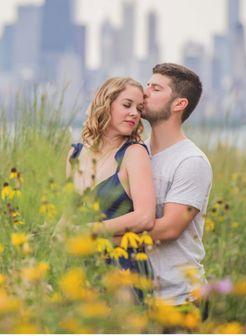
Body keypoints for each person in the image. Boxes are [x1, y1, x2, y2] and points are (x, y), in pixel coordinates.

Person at [137, 63, 213, 316]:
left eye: (155, 88)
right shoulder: (135, 153)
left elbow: (169, 228)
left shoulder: (191, 161)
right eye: (146, 85)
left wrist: (99, 236)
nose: (144, 92)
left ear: (179, 104)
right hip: (135, 299)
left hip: (179, 300)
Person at [65, 77, 156, 282]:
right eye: (127, 105)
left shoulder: (134, 154)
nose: (134, 113)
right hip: (79, 268)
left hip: (121, 271)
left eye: (139, 109)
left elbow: (145, 217)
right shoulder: (74, 154)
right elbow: (68, 213)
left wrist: (88, 231)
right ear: (106, 103)